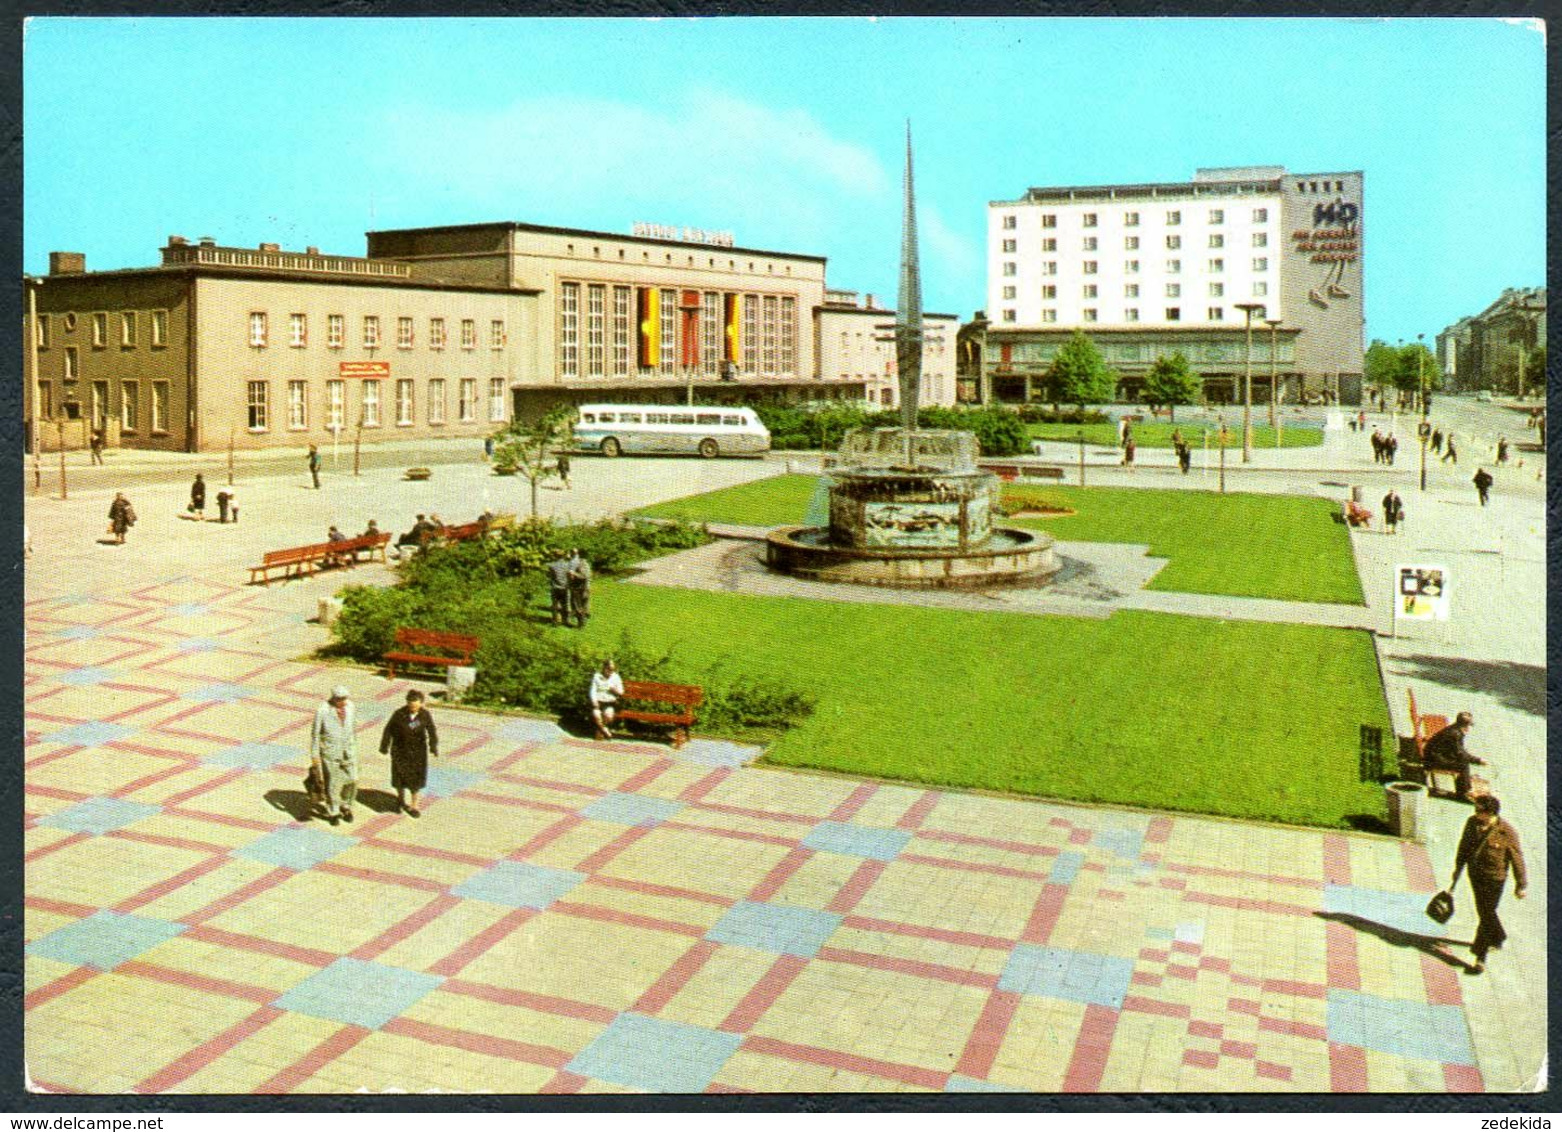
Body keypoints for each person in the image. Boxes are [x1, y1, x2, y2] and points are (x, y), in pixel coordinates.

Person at [1450, 794, 1526, 975]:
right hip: (1475, 875)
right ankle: (1499, 936)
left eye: (1479, 811)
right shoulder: (1471, 824)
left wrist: (1521, 884)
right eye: (1475, 810)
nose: (1476, 814)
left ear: (1490, 813)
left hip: (1494, 879)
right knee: (1485, 911)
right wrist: (1457, 871)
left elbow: (1517, 859)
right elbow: (1463, 848)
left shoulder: (1507, 832)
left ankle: (1480, 958)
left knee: (1486, 915)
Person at [379, 689, 439, 818]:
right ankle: (400, 799)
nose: (413, 707)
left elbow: (431, 731)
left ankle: (414, 805)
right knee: (399, 777)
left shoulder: (424, 715)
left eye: (415, 704)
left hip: (418, 753)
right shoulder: (399, 714)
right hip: (400, 751)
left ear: (421, 703)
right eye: (410, 704)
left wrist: (433, 746)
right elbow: (388, 730)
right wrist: (384, 746)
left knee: (415, 780)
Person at [309, 685, 358, 825]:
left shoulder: (350, 707)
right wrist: (314, 755)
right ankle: (334, 811)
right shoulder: (323, 710)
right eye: (340, 699)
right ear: (334, 698)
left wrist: (354, 746)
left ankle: (346, 804)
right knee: (332, 782)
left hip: (348, 750)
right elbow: (315, 734)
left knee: (353, 778)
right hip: (330, 751)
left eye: (345, 698)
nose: (343, 702)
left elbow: (353, 727)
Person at [1424, 711, 1486, 801]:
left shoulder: (1454, 729)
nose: (1469, 728)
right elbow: (1460, 753)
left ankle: (1466, 785)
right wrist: (1478, 760)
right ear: (1465, 726)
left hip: (1436, 755)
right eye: (1469, 725)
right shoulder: (1455, 734)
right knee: (1463, 765)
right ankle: (1464, 793)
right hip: (1433, 760)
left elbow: (1457, 751)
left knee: (1462, 761)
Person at [589, 659, 624, 740]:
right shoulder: (597, 676)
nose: (610, 671)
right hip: (598, 701)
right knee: (596, 715)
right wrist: (594, 701)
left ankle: (601, 730)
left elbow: (621, 692)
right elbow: (592, 690)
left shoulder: (616, 677)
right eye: (609, 669)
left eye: (612, 669)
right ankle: (605, 730)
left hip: (609, 702)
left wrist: (614, 690)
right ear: (604, 667)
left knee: (608, 716)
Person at [567, 548, 592, 628]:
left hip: (581, 588)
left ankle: (581, 624)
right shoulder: (586, 564)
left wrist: (573, 573)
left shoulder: (581, 564)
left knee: (578, 606)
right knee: (583, 606)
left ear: (579, 554)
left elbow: (584, 576)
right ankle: (583, 621)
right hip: (585, 587)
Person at [547, 552, 573, 627]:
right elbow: (570, 576)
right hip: (564, 587)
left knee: (555, 605)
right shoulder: (567, 565)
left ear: (555, 556)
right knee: (565, 605)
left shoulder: (552, 565)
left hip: (555, 587)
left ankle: (555, 621)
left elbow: (549, 575)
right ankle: (566, 620)